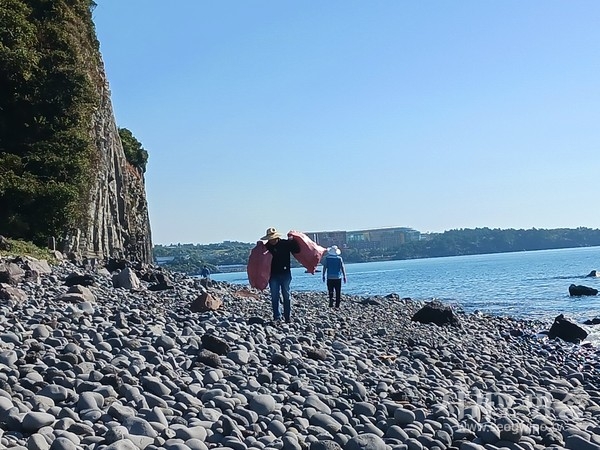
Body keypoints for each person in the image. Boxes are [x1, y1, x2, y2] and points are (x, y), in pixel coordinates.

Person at [262, 227, 300, 323]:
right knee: (275, 296)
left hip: (285, 273)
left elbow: (297, 250)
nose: (271, 241)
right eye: (270, 239)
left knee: (286, 295)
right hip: (273, 275)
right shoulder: (267, 247)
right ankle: (277, 317)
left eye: (273, 239)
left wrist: (293, 241)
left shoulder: (285, 244)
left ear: (277, 237)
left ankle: (287, 317)